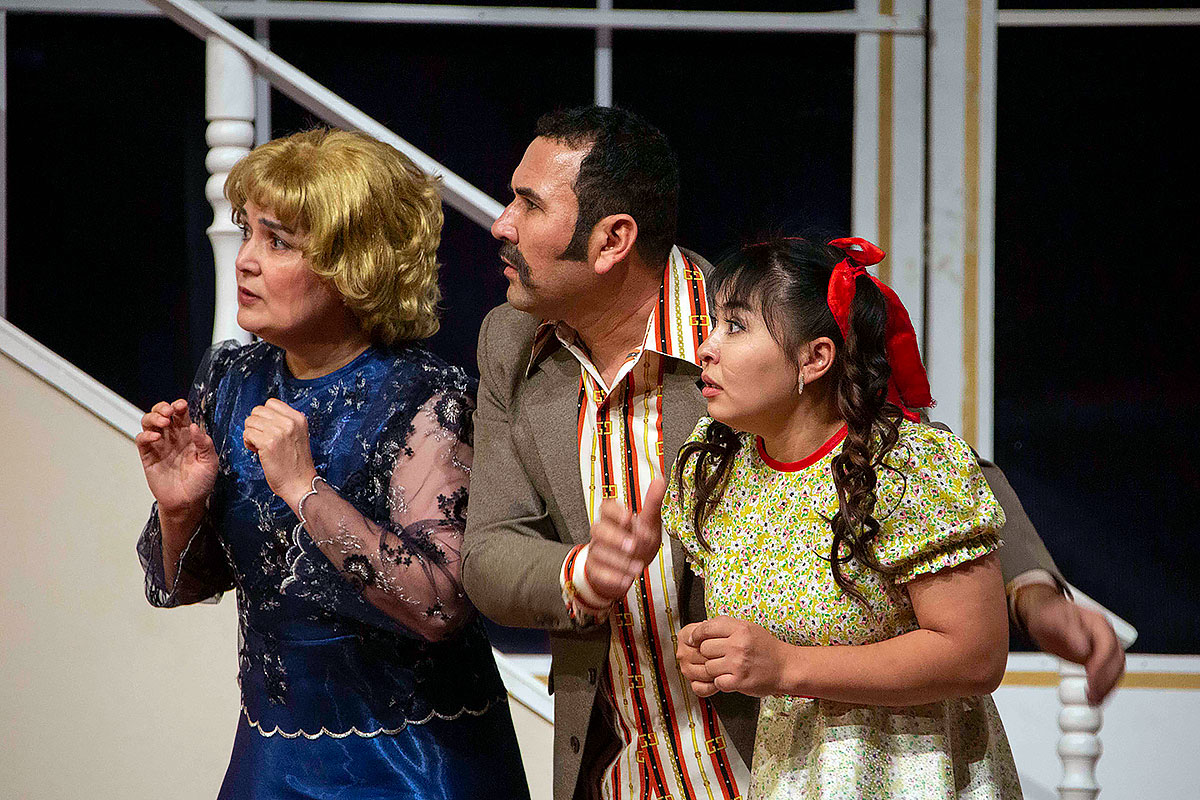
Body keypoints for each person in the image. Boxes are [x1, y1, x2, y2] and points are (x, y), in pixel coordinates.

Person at [461, 105, 1122, 800]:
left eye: (529, 204)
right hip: (621, 766)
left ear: (612, 240)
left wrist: (1033, 592)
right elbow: (489, 549)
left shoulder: (753, 332)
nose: (502, 224)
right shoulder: (511, 344)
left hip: (772, 763)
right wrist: (582, 574)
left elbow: (917, 464)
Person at [135, 128, 529, 800]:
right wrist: (180, 510)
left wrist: (305, 488)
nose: (245, 260)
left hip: (413, 763)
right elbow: (182, 585)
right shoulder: (231, 380)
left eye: (278, 242)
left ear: (356, 267)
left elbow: (442, 605)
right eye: (247, 232)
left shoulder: (427, 399)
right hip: (274, 760)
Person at [662, 235, 1019, 798]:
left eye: (735, 327)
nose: (706, 348)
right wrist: (711, 653)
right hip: (792, 777)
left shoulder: (906, 465)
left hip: (915, 776)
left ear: (814, 358)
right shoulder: (717, 462)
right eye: (712, 326)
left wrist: (787, 666)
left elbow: (975, 655)